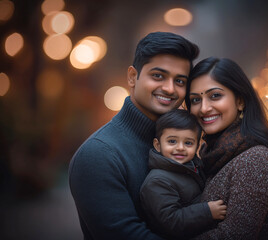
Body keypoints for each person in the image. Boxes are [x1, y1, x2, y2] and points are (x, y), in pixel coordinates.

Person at [68, 31, 199, 240]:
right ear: (132, 77)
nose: (169, 88)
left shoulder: (184, 145)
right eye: (158, 76)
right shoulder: (98, 155)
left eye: (180, 81)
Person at [185, 57, 268, 239]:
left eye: (215, 96)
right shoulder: (212, 156)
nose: (203, 108)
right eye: (195, 100)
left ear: (240, 101)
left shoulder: (255, 160)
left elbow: (232, 235)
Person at [140, 109, 227, 239]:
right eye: (172, 141)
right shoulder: (157, 181)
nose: (180, 147)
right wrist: (207, 212)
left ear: (197, 146)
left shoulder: (192, 167)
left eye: (188, 143)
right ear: (158, 145)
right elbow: (171, 222)